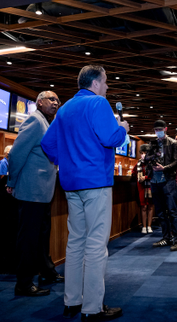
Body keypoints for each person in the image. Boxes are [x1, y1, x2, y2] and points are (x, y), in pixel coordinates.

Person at [41, 65, 128, 321]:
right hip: (96, 182)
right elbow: (111, 137)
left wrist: (67, 162)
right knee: (96, 245)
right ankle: (92, 307)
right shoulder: (99, 104)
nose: (108, 86)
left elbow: (48, 143)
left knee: (76, 241)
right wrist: (122, 127)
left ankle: (72, 302)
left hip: (71, 183)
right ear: (95, 84)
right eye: (106, 82)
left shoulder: (65, 108)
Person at [7, 90, 63, 297]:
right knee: (28, 239)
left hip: (43, 192)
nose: (56, 103)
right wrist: (12, 181)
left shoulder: (46, 122)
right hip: (31, 191)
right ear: (39, 103)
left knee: (40, 237)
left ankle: (46, 271)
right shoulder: (34, 121)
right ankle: (23, 284)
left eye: (58, 100)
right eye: (51, 99)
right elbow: (16, 154)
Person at [145, 119, 177, 251]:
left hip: (168, 180)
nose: (158, 132)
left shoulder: (173, 143)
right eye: (156, 130)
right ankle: (166, 238)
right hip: (155, 181)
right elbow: (146, 159)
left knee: (173, 211)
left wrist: (164, 168)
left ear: (165, 129)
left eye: (160, 130)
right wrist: (151, 160)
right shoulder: (152, 143)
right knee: (161, 213)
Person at [132, 144, 153, 234]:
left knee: (151, 206)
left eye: (145, 153)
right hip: (141, 187)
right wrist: (138, 177)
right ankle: (144, 226)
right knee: (143, 206)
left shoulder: (152, 163)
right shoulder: (138, 163)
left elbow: (154, 174)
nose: (143, 155)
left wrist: (145, 177)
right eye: (142, 153)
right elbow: (133, 172)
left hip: (151, 186)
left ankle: (149, 226)